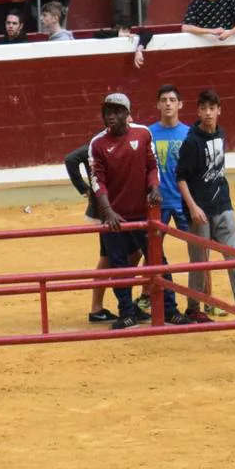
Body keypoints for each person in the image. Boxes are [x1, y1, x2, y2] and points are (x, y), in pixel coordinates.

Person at [175, 89, 235, 322]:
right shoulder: (191, 142)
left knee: (234, 256)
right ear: (198, 111)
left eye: (212, 108)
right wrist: (193, 207)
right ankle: (193, 307)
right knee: (199, 261)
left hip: (223, 204)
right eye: (204, 109)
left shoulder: (221, 133)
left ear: (219, 110)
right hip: (200, 211)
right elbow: (181, 177)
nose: (208, 113)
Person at [87, 92, 161, 329]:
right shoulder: (97, 143)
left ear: (127, 114)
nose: (111, 116)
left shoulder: (142, 133)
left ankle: (167, 309)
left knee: (153, 258)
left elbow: (152, 165)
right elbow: (96, 179)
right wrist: (107, 210)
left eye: (117, 111)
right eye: (107, 112)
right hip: (112, 214)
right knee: (115, 262)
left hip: (138, 212)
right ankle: (124, 311)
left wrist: (154, 187)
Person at [149, 84, 192, 324]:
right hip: (158, 202)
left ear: (180, 104)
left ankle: (202, 299)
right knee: (153, 251)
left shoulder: (189, 133)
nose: (167, 103)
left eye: (172, 99)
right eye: (163, 99)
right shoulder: (148, 133)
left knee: (198, 249)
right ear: (157, 104)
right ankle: (150, 294)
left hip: (183, 200)